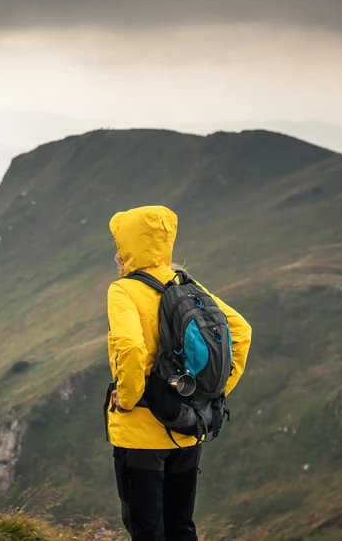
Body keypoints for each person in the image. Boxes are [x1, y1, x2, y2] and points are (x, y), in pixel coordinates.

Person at [106, 206, 252, 541]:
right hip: (188, 426)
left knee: (146, 529)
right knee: (181, 526)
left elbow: (129, 347)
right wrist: (213, 391)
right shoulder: (188, 284)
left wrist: (126, 400)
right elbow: (241, 332)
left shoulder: (124, 290)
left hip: (142, 433)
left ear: (126, 245)